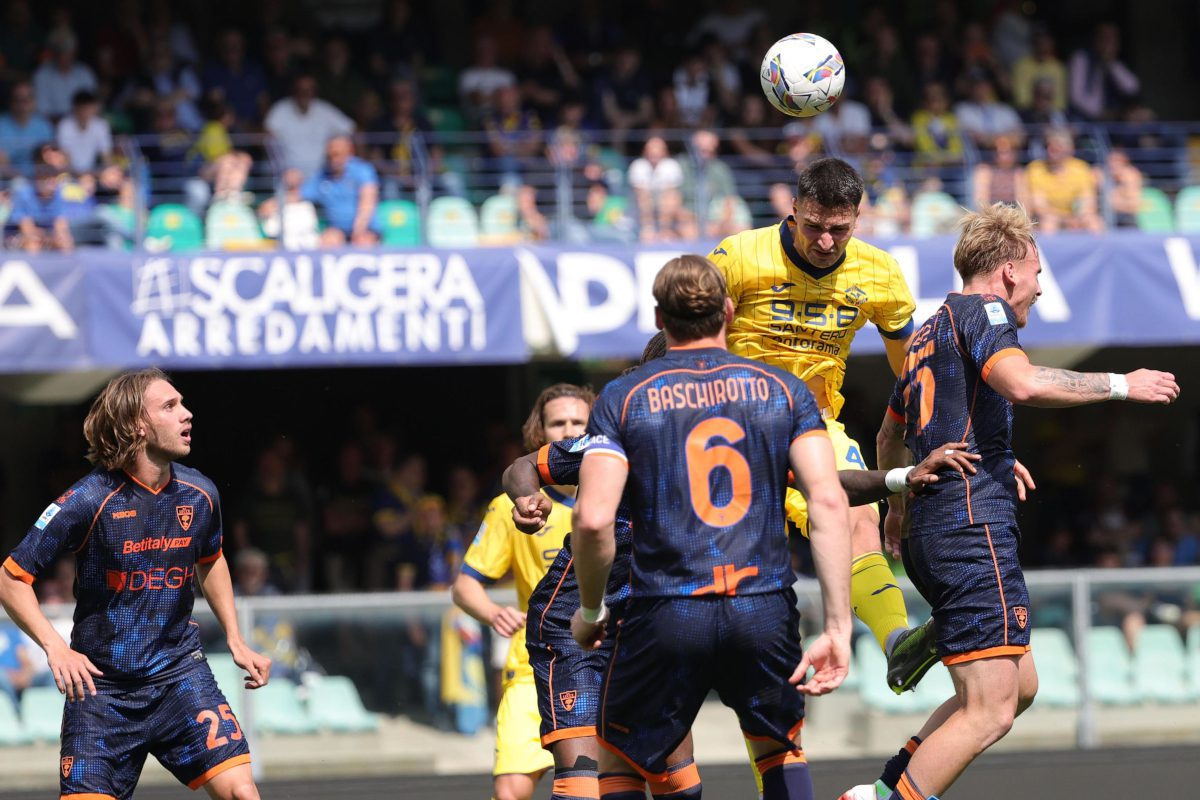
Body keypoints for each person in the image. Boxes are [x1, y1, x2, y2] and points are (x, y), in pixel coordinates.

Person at [502, 333, 981, 800]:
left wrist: (900, 477)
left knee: (675, 779)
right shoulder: (623, 428)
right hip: (577, 618)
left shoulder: (735, 439)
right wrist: (526, 498)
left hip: (652, 617)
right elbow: (531, 471)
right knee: (587, 774)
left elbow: (827, 484)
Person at [843, 204, 1179, 800]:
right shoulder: (986, 312)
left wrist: (900, 505)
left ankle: (881, 788)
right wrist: (1122, 384)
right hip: (969, 527)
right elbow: (1021, 384)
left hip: (938, 525)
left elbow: (889, 435)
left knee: (1018, 685)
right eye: (1037, 272)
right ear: (1007, 271)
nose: (1041, 288)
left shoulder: (928, 331)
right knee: (991, 709)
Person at [568, 255, 852, 800]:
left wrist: (590, 610)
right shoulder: (784, 390)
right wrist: (838, 628)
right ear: (728, 310)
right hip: (762, 605)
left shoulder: (623, 397)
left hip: (667, 609)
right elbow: (829, 501)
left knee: (622, 755)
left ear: (658, 317)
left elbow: (594, 516)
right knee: (779, 747)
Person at [707, 158, 928, 692]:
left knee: (857, 521)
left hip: (812, 425)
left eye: (840, 229)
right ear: (793, 211)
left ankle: (897, 643)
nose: (826, 241)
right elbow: (679, 341)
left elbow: (912, 374)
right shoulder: (738, 257)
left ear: (857, 219)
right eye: (814, 227)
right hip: (727, 422)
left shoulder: (879, 272)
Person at [0, 368, 272, 800]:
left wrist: (236, 638)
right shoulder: (88, 499)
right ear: (136, 424)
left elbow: (211, 558)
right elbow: (11, 577)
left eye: (182, 403)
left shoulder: (200, 493)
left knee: (243, 793)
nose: (187, 414)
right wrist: (56, 647)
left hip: (179, 679)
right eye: (170, 406)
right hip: (101, 694)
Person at [451, 384, 594, 800]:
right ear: (539, 433)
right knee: (511, 790)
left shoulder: (617, 492)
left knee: (599, 785)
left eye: (578, 422)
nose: (568, 430)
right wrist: (492, 612)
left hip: (605, 659)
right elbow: (464, 585)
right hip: (535, 665)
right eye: (557, 423)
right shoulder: (511, 505)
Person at [300, 135, 380, 248]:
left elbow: (368, 202)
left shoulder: (363, 170)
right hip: (337, 230)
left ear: (349, 152)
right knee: (327, 241)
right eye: (330, 155)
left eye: (338, 154)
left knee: (363, 244)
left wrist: (358, 231)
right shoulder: (322, 175)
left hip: (366, 229)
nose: (334, 159)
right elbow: (300, 194)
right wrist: (275, 203)